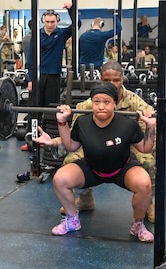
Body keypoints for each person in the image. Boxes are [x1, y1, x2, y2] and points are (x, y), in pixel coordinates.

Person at [34, 82, 156, 242]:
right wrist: (62, 122)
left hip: (122, 168)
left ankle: (138, 225)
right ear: (91, 103)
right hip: (92, 168)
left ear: (115, 103)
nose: (101, 106)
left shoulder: (127, 125)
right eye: (96, 101)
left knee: (144, 184)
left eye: (106, 102)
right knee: (60, 179)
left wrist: (151, 127)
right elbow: (71, 146)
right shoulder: (83, 123)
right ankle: (72, 220)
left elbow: (145, 148)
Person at [50, 61, 159, 224]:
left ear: (122, 79)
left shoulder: (136, 103)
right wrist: (54, 142)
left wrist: (163, 145)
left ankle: (147, 202)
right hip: (96, 143)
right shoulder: (88, 105)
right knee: (70, 160)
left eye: (116, 80)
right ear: (101, 80)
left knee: (149, 162)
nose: (112, 84)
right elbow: (75, 136)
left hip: (127, 144)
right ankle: (86, 198)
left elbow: (147, 136)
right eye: (107, 81)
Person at [26, 3, 81, 106]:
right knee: (35, 106)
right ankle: (35, 123)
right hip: (38, 75)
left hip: (54, 75)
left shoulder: (62, 34)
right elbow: (30, 58)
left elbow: (77, 24)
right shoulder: (37, 35)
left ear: (57, 21)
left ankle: (50, 123)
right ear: (43, 22)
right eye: (47, 22)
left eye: (52, 22)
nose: (50, 24)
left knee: (52, 106)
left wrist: (71, 10)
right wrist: (30, 79)